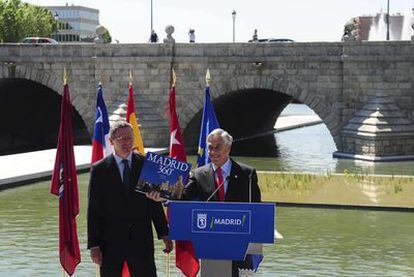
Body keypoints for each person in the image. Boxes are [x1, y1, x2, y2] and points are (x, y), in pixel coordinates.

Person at [148, 128, 261, 276]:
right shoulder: (199, 174)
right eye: (210, 148)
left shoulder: (247, 174)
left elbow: (257, 208)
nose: (213, 152)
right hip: (211, 243)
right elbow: (182, 197)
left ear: (228, 148)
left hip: (240, 243)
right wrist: (163, 197)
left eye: (217, 147)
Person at [87, 120, 173, 277]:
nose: (126, 142)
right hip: (110, 243)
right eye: (121, 139)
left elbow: (153, 203)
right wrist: (94, 245)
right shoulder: (99, 170)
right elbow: (94, 210)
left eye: (129, 138)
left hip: (141, 241)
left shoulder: (146, 164)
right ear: (112, 141)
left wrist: (164, 233)